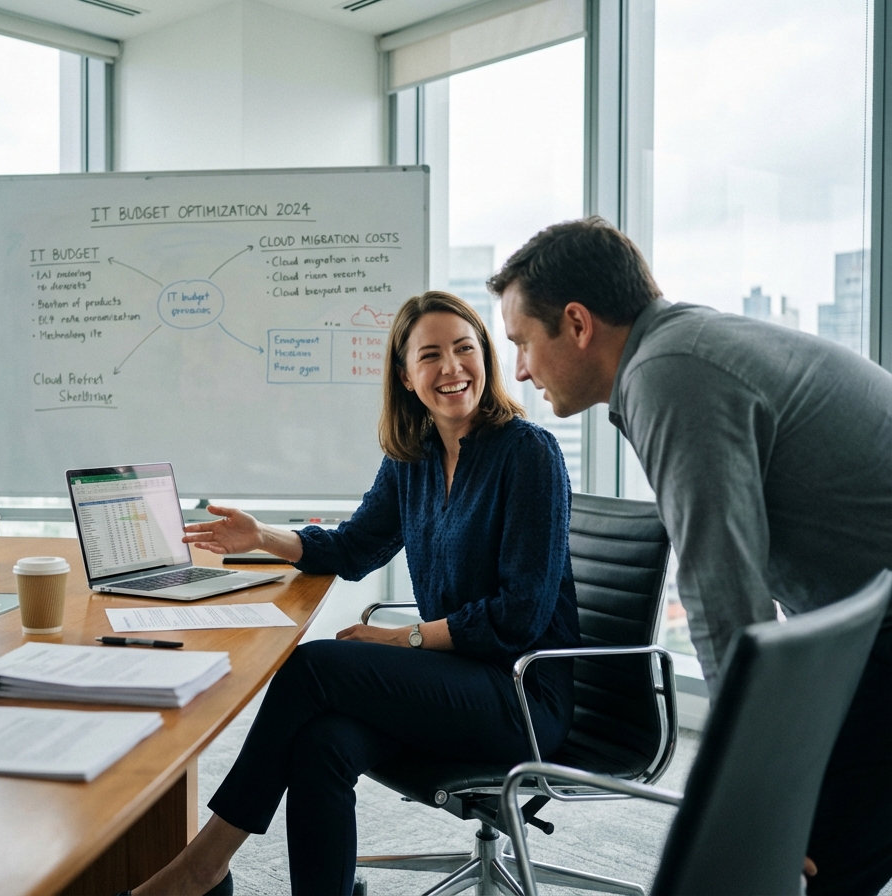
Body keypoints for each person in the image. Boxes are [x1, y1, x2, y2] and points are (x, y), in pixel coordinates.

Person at [126, 291, 580, 896]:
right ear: (405, 374)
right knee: (323, 743)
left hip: (521, 695)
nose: (452, 368)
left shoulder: (528, 454)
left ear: (486, 358)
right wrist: (263, 536)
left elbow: (520, 615)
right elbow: (354, 548)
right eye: (431, 355)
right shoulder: (414, 457)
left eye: (465, 349)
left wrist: (405, 640)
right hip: (454, 679)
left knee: (312, 667)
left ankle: (201, 867)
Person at [490, 216, 892, 896]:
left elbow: (721, 593)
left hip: (876, 630)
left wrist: (751, 794)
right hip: (867, 623)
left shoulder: (668, 377)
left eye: (523, 343)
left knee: (782, 859)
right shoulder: (686, 346)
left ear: (579, 323)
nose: (521, 370)